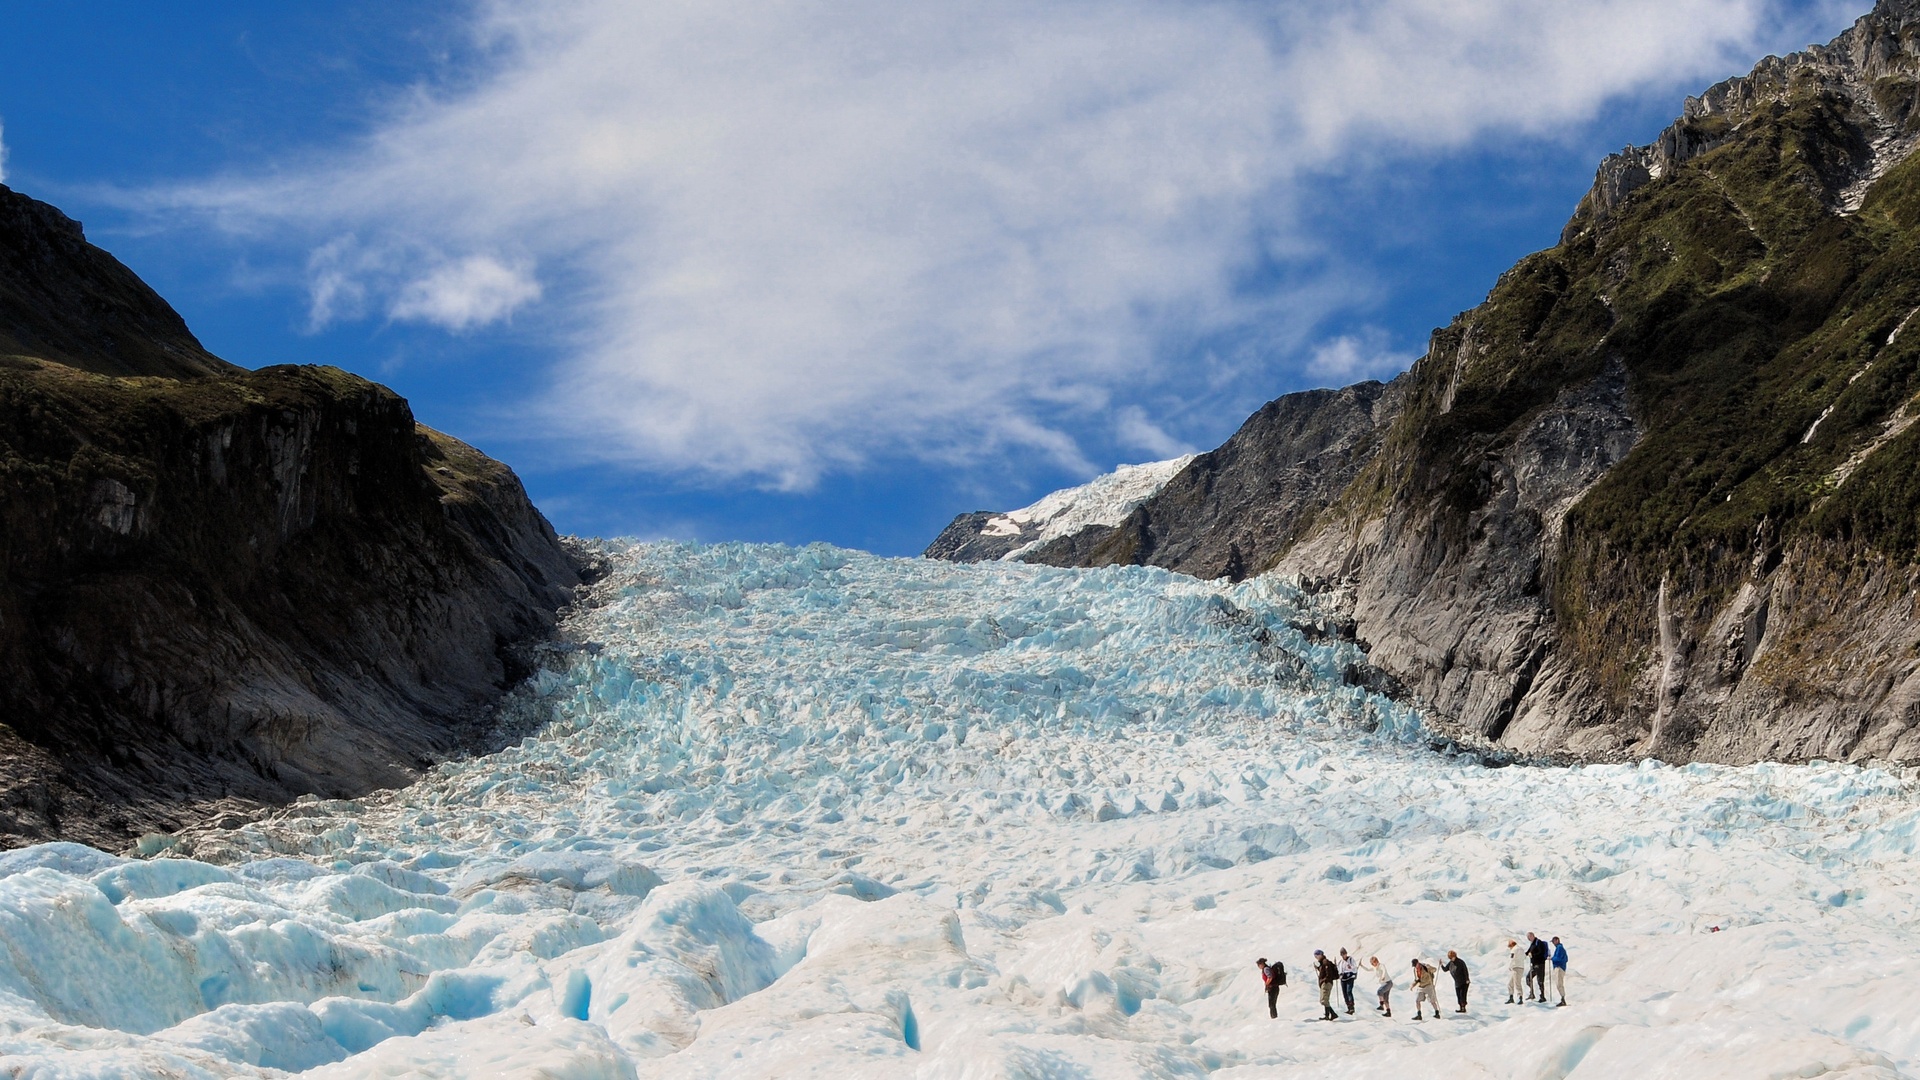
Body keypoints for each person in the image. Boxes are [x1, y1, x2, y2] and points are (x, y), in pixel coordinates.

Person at [1314, 950, 1340, 1020]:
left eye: (1317, 955)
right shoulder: (1323, 962)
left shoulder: (1325, 962)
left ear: (1321, 954)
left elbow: (1328, 973)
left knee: (1324, 1000)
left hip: (1326, 983)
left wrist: (1325, 980)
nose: (1316, 957)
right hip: (1326, 982)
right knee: (1325, 1000)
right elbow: (1324, 972)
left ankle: (1331, 1014)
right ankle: (1328, 1015)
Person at [1525, 932, 1549, 1001]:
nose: (1529, 938)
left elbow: (1541, 952)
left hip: (1540, 964)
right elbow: (1528, 952)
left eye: (1529, 937)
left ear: (1532, 936)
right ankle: (1532, 993)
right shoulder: (1533, 944)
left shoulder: (1538, 942)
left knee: (1540, 980)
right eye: (1528, 937)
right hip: (1534, 965)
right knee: (1528, 978)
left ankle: (1542, 996)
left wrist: (1533, 955)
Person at [1337, 948, 1359, 1015]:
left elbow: (1355, 968)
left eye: (1344, 954)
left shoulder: (1351, 960)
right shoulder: (1340, 962)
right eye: (1342, 955)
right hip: (1343, 978)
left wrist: (1351, 968)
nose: (1343, 956)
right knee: (1344, 993)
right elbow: (1339, 969)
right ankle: (1348, 1007)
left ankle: (1352, 1007)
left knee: (1349, 991)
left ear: (1346, 953)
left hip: (1350, 977)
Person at [1550, 937, 1568, 1006]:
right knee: (1559, 983)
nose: (1553, 943)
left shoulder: (1559, 948)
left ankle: (1563, 999)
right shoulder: (1560, 948)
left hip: (1559, 967)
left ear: (1557, 940)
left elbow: (1558, 958)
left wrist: (1552, 958)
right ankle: (1562, 998)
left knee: (1559, 984)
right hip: (1560, 967)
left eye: (1554, 941)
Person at [1505, 939, 1525, 1004]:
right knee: (1512, 983)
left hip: (1515, 967)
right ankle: (1512, 997)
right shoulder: (1521, 949)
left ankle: (1520, 998)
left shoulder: (1514, 950)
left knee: (1516, 983)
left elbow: (1512, 959)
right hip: (1521, 967)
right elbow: (1524, 957)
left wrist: (1510, 966)